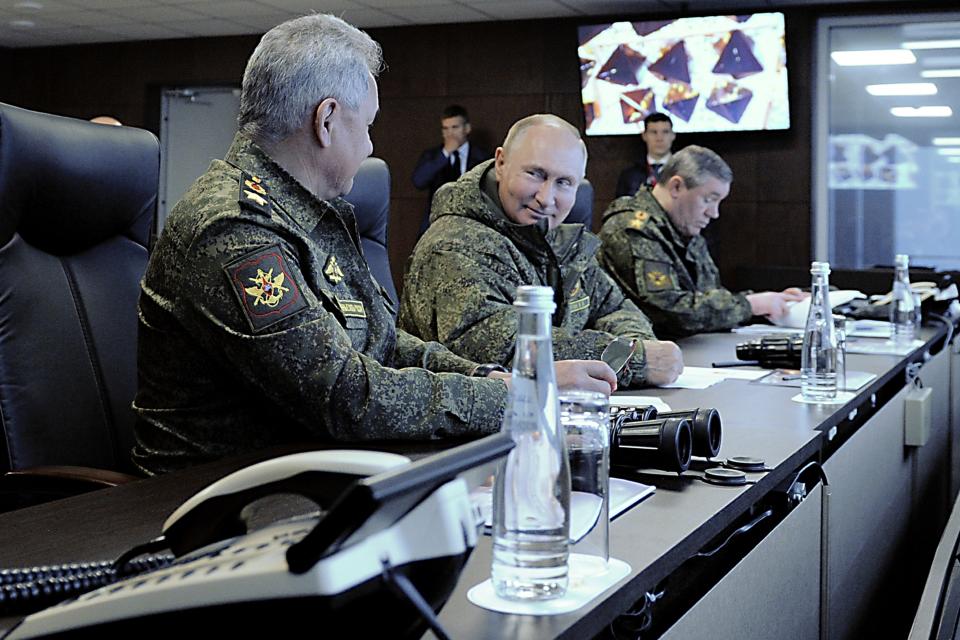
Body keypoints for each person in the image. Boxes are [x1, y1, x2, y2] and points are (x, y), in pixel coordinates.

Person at [133, 15, 616, 475]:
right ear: (326, 121)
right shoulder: (234, 229)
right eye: (367, 126)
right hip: (211, 504)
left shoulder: (314, 212)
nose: (369, 147)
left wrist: (495, 381)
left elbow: (385, 342)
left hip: (309, 471)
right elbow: (346, 396)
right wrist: (520, 398)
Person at [399, 114, 683, 387]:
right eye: (535, 174)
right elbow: (502, 350)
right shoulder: (453, 246)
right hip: (482, 432)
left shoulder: (553, 237)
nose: (546, 199)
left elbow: (614, 307)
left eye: (564, 183)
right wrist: (633, 358)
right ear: (500, 163)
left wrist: (636, 344)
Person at [599, 145, 807, 338]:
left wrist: (770, 304)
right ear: (676, 187)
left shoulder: (682, 226)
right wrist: (749, 305)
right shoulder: (632, 228)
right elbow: (669, 310)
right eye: (708, 199)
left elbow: (706, 298)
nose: (714, 213)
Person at [411, 104, 491, 234]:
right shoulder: (433, 156)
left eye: (455, 127)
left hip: (472, 224)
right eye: (445, 128)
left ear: (467, 128)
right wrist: (445, 153)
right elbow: (418, 181)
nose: (450, 134)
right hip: (437, 224)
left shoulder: (483, 156)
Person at [615, 112, 675, 197]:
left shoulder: (683, 172)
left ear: (673, 135)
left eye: (665, 132)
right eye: (654, 132)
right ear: (644, 136)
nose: (659, 138)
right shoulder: (629, 175)